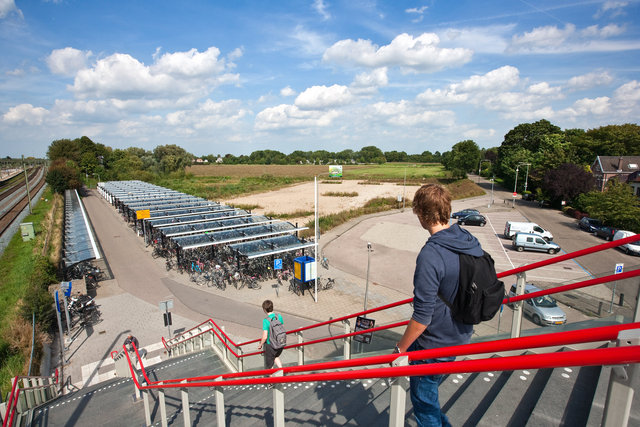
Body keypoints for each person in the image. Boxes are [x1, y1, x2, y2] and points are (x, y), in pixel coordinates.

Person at [394, 184, 483, 427]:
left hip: (435, 343)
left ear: (421, 214)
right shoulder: (467, 239)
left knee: (424, 403)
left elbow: (422, 317)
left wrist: (400, 349)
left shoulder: (431, 255)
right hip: (462, 332)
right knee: (430, 395)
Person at [258, 300, 283, 370]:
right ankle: (282, 370)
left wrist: (260, 344)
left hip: (271, 345)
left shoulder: (266, 320)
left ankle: (272, 379)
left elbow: (265, 336)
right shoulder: (279, 316)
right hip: (280, 342)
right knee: (275, 356)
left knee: (270, 365)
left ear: (264, 310)